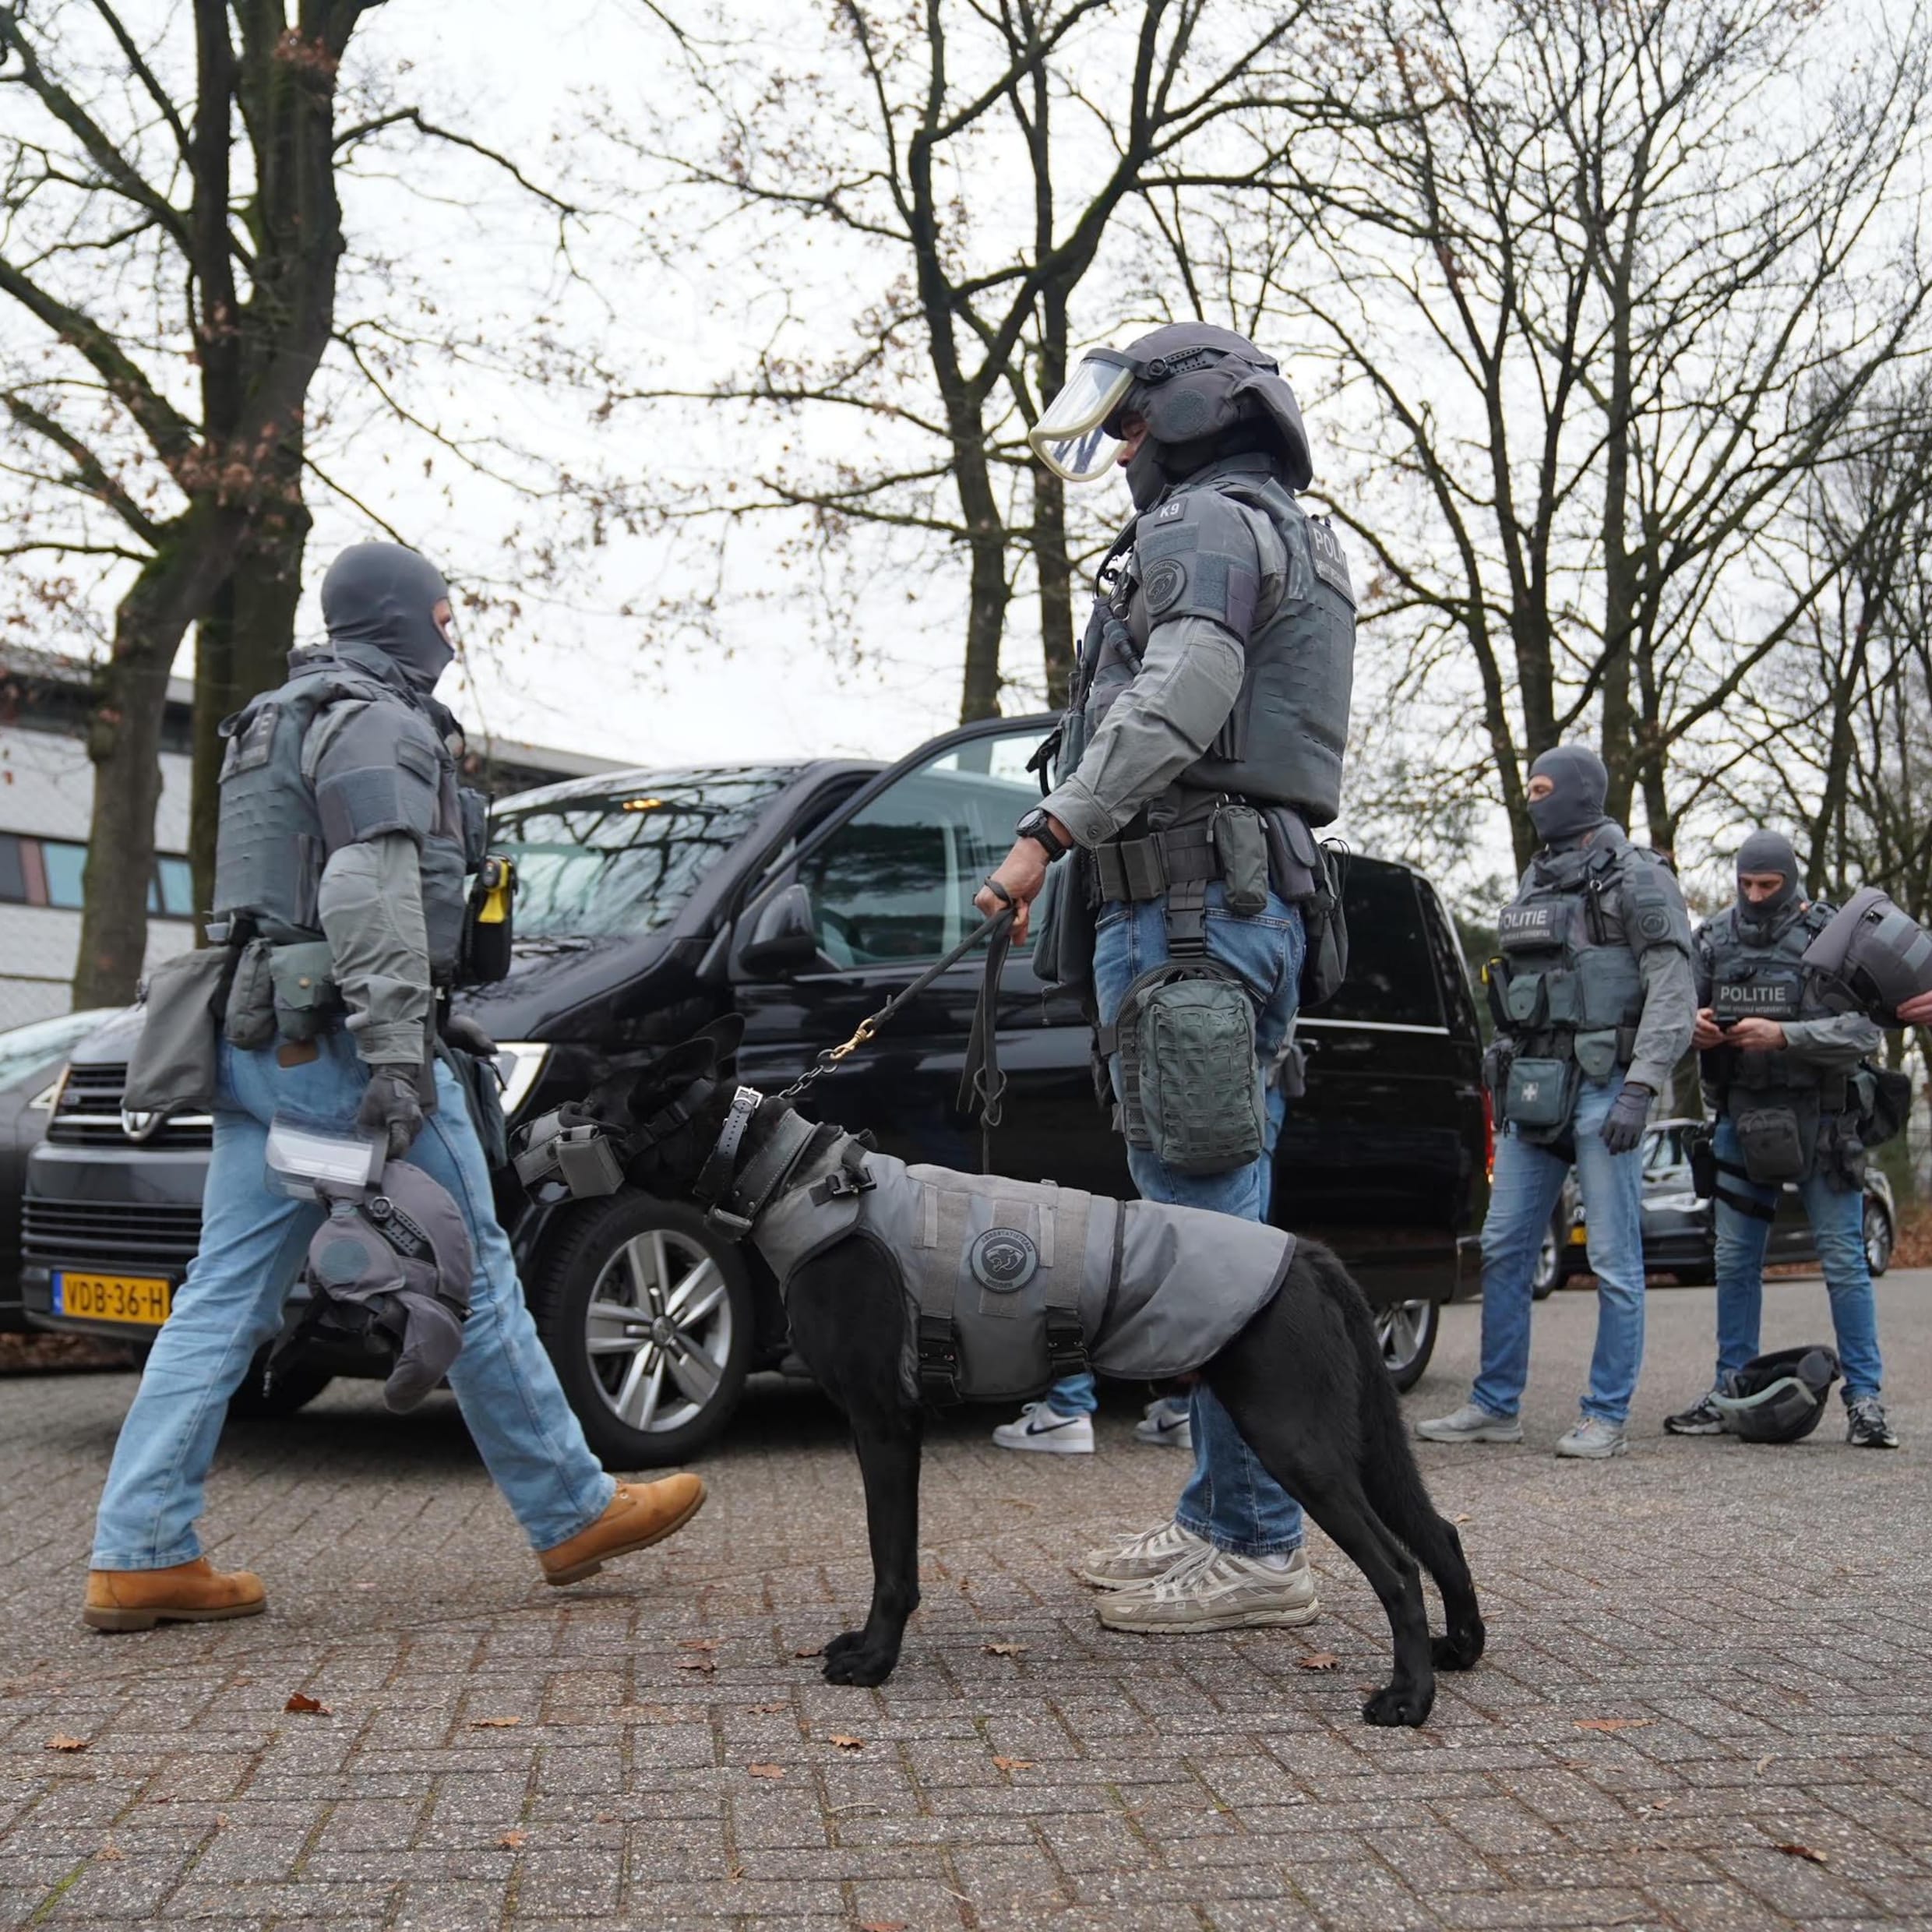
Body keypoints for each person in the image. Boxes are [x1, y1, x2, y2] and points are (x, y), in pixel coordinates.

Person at [82, 543, 704, 1632]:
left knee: (221, 1299)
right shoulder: (377, 719)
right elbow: (366, 889)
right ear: (404, 618)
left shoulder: (275, 718)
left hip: (264, 1038)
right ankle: (571, 1510)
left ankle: (140, 1551)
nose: (452, 634)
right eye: (445, 612)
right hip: (343, 1049)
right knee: (475, 1270)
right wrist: (396, 1059)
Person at [975, 321, 1355, 1632]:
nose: (1121, 447)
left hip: (1192, 907)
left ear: (1194, 416)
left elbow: (1181, 695)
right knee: (1220, 1219)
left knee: (1204, 1241)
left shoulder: (1204, 527)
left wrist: (1045, 835)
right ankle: (1222, 1518)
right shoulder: (1274, 528)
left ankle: (1256, 1548)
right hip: (1227, 903)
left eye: (1132, 419)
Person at [1418, 746, 1695, 1458]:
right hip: (1533, 1091)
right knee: (1506, 1248)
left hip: (1609, 1089)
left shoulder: (1640, 877)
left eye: (1544, 787)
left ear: (1579, 793)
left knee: (1612, 1259)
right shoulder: (1534, 880)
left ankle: (1605, 1415)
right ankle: (1494, 1404)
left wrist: (1643, 1085)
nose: (1533, 799)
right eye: (1530, 788)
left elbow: (1673, 991)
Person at [1664, 832, 1898, 1447]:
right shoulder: (1712, 938)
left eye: (1768, 886)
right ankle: (1728, 1390)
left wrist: (1787, 1036)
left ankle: (1865, 1401)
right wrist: (1695, 1028)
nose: (1755, 896)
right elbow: (1676, 1009)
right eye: (1746, 884)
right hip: (1742, 1122)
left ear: (1790, 881)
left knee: (1845, 1263)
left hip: (1822, 1126)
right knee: (1735, 1263)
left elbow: (1863, 1032)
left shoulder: (1832, 935)